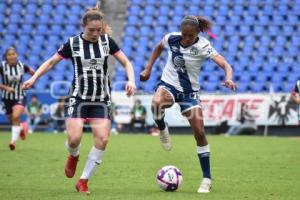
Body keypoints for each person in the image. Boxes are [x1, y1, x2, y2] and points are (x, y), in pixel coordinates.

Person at [22, 6, 136, 194]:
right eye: (91, 30)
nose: (95, 33)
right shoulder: (72, 43)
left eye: (98, 30)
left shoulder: (107, 41)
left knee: (103, 139)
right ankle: (73, 155)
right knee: (74, 139)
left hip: (101, 100)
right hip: (78, 99)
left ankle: (83, 180)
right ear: (83, 26)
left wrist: (131, 80)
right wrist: (34, 78)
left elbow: (126, 62)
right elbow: (51, 62)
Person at [140, 16, 237, 193]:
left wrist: (229, 78)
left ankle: (207, 178)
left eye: (190, 36)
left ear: (197, 33)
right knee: (156, 102)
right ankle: (162, 128)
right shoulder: (171, 38)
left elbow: (225, 64)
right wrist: (148, 68)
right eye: (184, 35)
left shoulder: (203, 46)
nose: (185, 39)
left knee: (200, 133)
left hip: (189, 94)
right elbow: (158, 47)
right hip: (168, 85)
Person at [0, 47, 35, 150]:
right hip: (6, 97)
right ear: (6, 57)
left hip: (20, 95)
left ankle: (13, 142)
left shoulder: (22, 66)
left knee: (15, 117)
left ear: (17, 55)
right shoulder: (2, 66)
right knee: (12, 119)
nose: (11, 56)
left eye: (13, 54)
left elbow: (34, 74)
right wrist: (6, 87)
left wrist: (31, 82)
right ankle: (21, 127)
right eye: (9, 54)